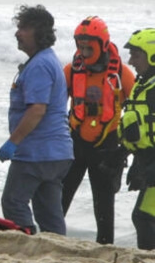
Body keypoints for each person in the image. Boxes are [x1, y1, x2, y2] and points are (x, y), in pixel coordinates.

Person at [0, 5, 73, 235]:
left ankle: (26, 243)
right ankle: (56, 249)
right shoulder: (46, 60)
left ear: (40, 33)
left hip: (37, 152)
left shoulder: (40, 65)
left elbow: (37, 109)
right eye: (18, 27)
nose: (18, 33)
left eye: (24, 28)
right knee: (49, 213)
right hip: (58, 153)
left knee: (13, 202)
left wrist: (13, 142)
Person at [60, 16, 134, 244]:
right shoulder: (71, 71)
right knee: (60, 197)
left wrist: (127, 147)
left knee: (104, 205)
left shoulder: (122, 73)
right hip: (75, 142)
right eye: (80, 46)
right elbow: (53, 105)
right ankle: (49, 238)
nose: (83, 52)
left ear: (103, 44)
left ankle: (105, 247)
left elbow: (140, 109)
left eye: (88, 47)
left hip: (107, 146)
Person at [119, 28, 155, 249]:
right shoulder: (143, 86)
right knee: (144, 217)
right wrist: (128, 158)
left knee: (144, 217)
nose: (130, 61)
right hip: (147, 160)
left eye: (136, 55)